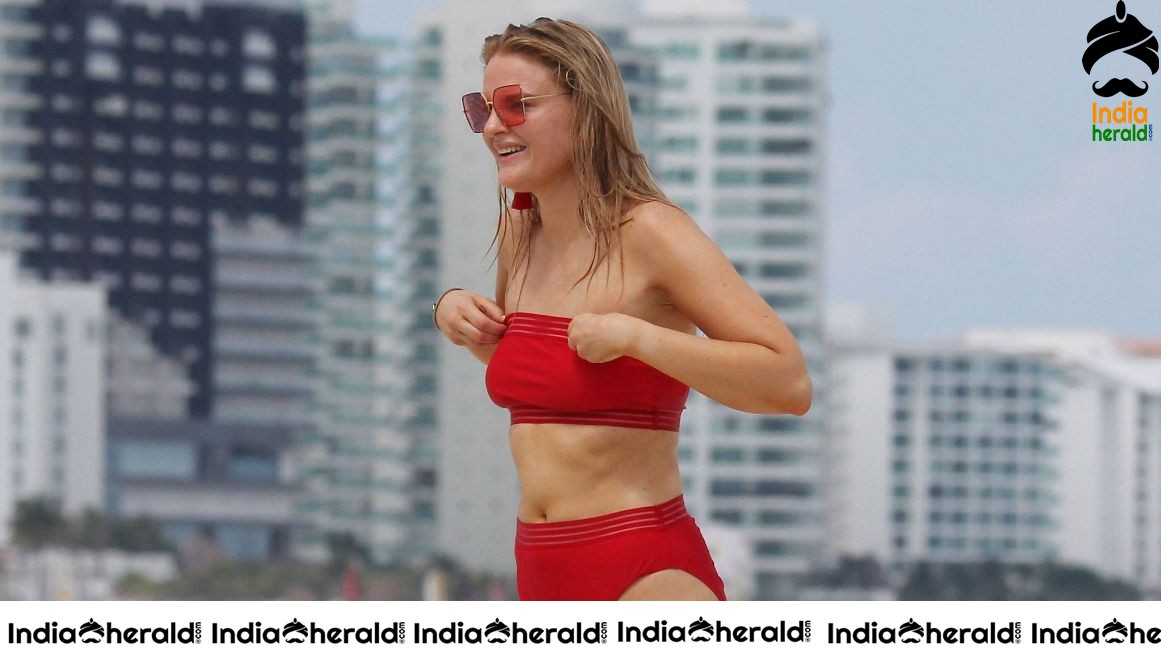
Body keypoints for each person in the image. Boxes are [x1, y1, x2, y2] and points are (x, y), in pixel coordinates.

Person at [433, 17, 812, 601]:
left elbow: (788, 382)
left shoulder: (652, 231)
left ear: (585, 109)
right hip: (540, 567)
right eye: (480, 109)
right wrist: (456, 315)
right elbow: (550, 377)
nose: (491, 127)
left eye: (514, 105)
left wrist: (639, 338)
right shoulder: (522, 230)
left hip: (644, 567)